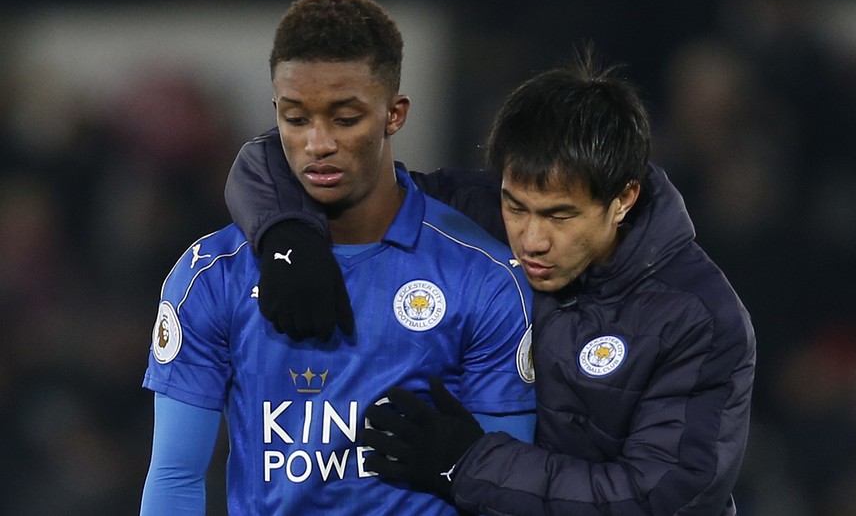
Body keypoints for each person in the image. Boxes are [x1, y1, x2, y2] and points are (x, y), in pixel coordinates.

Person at [224, 47, 756, 515]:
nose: (531, 239)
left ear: (623, 199)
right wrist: (287, 237)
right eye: (516, 206)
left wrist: (467, 462)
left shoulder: (696, 318)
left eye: (560, 216)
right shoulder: (472, 215)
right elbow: (277, 157)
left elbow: (662, 498)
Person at [140, 0, 536, 515]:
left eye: (345, 119)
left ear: (394, 115)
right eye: (296, 119)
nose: (318, 143)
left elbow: (506, 492)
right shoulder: (212, 276)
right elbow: (175, 476)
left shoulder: (483, 277)